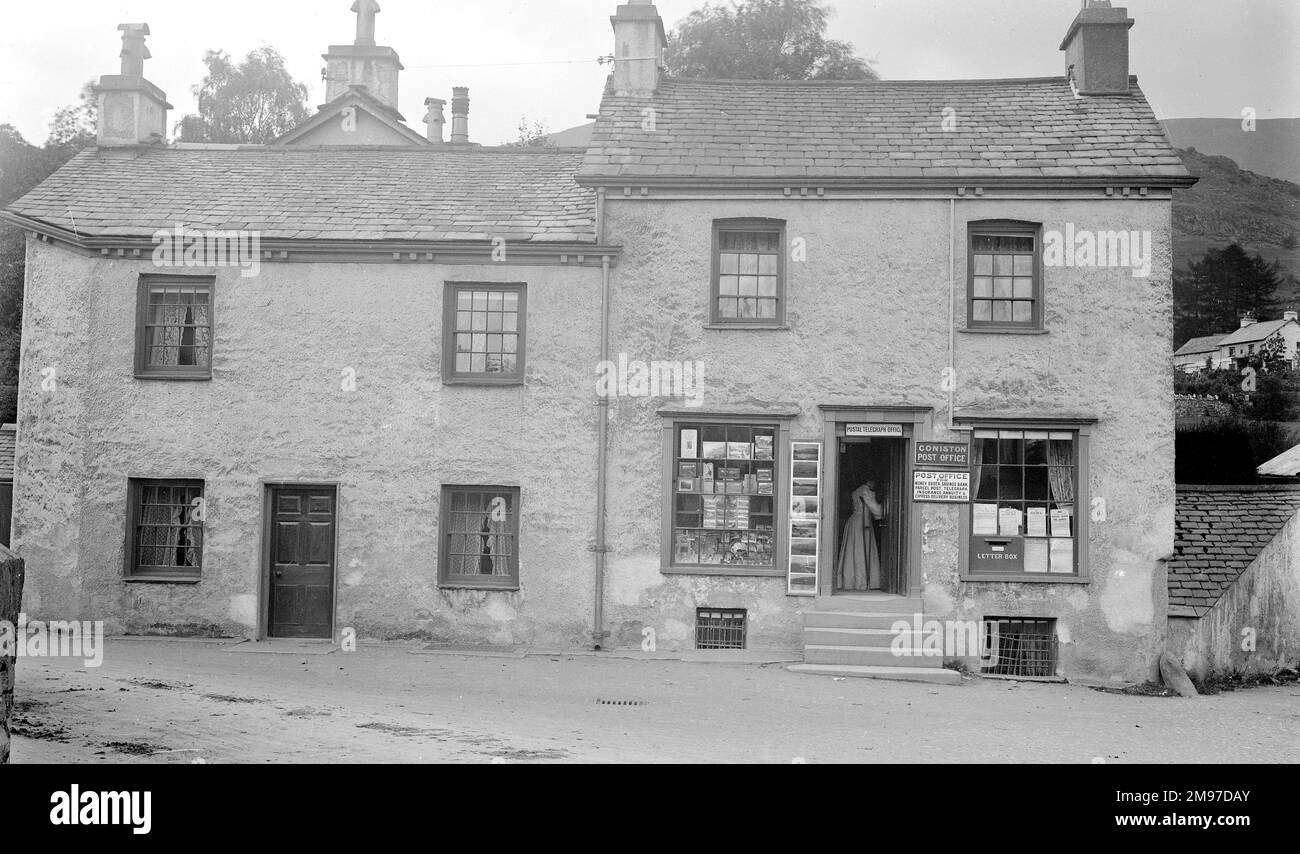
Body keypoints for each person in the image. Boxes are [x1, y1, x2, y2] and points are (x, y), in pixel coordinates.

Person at [837, 481, 883, 591]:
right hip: (862, 522)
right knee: (860, 551)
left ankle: (851, 581)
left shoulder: (857, 490)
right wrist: (885, 508)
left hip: (855, 521)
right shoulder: (865, 491)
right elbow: (876, 510)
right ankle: (861, 583)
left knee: (853, 551)